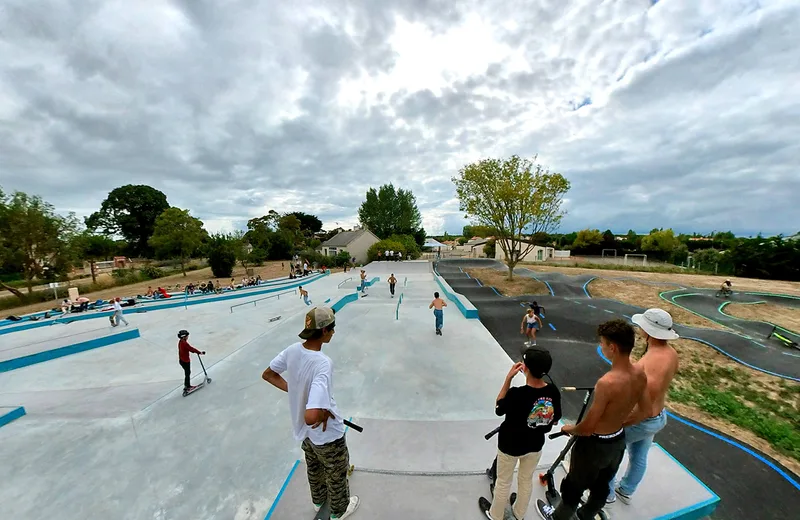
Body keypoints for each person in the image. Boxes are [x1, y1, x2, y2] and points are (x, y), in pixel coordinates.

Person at [536, 319, 648, 520]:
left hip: (594, 447)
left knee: (573, 488)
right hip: (618, 441)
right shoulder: (640, 373)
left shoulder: (607, 383)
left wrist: (570, 428)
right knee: (602, 485)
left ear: (612, 347)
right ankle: (586, 515)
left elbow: (587, 428)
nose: (601, 347)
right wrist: (619, 423)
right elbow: (644, 411)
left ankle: (558, 517)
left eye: (602, 343)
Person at [262, 307, 360, 519]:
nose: (333, 332)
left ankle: (318, 501)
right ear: (324, 331)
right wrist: (319, 411)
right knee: (336, 473)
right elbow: (311, 416)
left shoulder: (292, 351)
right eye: (332, 329)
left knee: (314, 467)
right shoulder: (323, 364)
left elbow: (268, 374)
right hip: (327, 436)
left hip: (305, 433)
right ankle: (339, 511)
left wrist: (297, 393)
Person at [607, 308, 679, 504]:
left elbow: (646, 397)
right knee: (639, 455)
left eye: (641, 326)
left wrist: (621, 422)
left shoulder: (656, 358)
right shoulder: (669, 352)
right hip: (656, 416)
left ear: (649, 330)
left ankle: (607, 495)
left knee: (609, 453)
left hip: (643, 419)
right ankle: (626, 489)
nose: (639, 329)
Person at [480, 348, 562, 520]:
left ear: (526, 368)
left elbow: (498, 408)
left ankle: (496, 515)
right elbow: (555, 418)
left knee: (503, 482)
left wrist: (508, 378)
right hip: (535, 445)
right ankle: (519, 513)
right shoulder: (553, 391)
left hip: (510, 445)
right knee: (525, 480)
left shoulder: (516, 394)